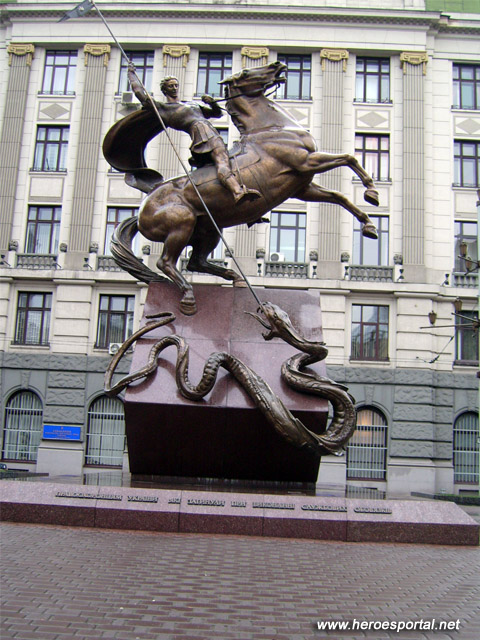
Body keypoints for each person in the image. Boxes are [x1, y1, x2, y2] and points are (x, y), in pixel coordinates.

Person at [127, 65, 260, 204]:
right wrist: (131, 74)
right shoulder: (163, 108)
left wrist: (212, 103)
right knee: (223, 163)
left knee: (223, 164)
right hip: (204, 136)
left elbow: (217, 113)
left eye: (176, 85)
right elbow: (140, 93)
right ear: (164, 90)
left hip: (209, 133)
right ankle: (238, 192)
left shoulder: (191, 104)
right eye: (170, 86)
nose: (174, 88)